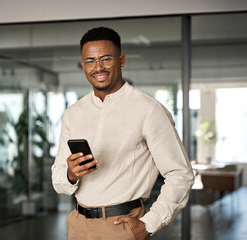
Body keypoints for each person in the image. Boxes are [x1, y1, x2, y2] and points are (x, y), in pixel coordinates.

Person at [51, 27, 194, 240]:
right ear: (83, 65)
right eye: (90, 61)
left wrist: (149, 223)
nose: (98, 67)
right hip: (78, 225)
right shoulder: (73, 113)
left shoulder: (148, 109)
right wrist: (71, 175)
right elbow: (58, 180)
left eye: (106, 59)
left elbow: (180, 174)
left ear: (122, 60)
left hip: (123, 226)